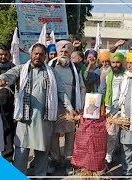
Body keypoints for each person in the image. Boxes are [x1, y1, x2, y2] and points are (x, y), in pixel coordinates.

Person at [0, 43, 76, 176]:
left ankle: (40, 176)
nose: (38, 56)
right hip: (24, 118)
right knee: (21, 151)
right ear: (31, 54)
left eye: (41, 54)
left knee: (43, 151)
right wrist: (1, 79)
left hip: (44, 119)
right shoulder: (21, 69)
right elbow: (8, 76)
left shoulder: (51, 73)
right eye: (35, 53)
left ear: (45, 57)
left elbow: (62, 91)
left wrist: (69, 108)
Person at [49, 40, 86, 174]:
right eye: (61, 52)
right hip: (54, 106)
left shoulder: (75, 69)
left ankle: (67, 161)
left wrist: (80, 105)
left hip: (71, 107)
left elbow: (81, 88)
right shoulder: (50, 66)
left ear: (70, 54)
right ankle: (54, 159)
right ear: (57, 53)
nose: (63, 54)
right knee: (53, 135)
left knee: (70, 135)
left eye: (66, 52)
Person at [99, 52, 125, 164]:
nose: (115, 65)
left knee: (124, 135)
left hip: (124, 107)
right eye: (113, 62)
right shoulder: (107, 75)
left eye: (118, 62)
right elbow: (101, 91)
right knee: (111, 134)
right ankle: (109, 155)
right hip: (111, 108)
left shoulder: (127, 75)